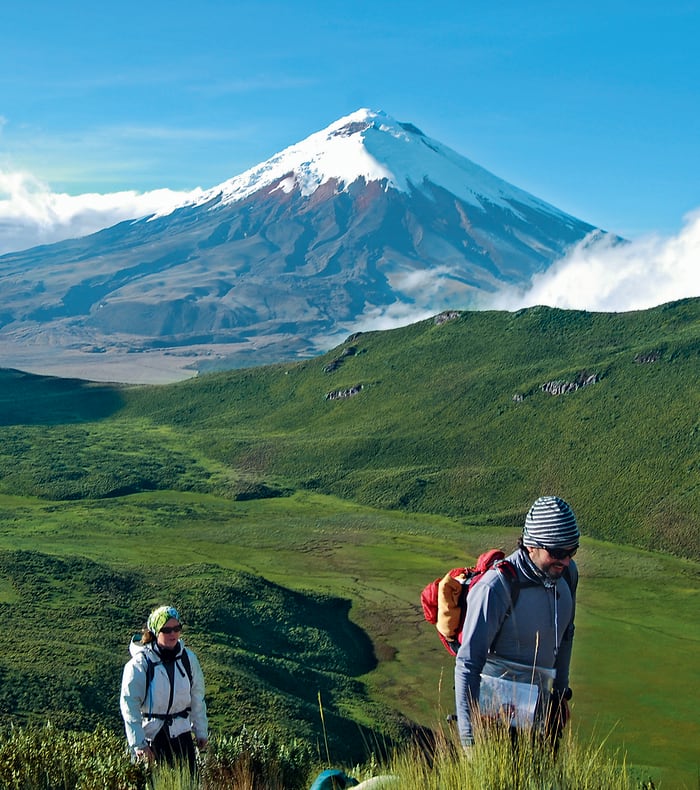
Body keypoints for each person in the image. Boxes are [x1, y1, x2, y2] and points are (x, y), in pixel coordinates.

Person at [454, 495, 579, 753]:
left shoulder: (567, 574)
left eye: (572, 550)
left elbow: (566, 635)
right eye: (557, 552)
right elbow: (468, 664)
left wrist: (559, 694)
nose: (565, 560)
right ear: (530, 545)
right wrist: (469, 743)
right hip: (495, 722)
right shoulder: (496, 587)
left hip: (543, 717)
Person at [120, 605, 208, 772]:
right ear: (154, 632)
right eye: (166, 630)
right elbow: (129, 705)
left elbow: (197, 696)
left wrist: (201, 731)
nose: (173, 634)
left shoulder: (188, 659)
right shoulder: (140, 664)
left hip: (182, 737)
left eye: (177, 628)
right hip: (152, 738)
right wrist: (139, 744)